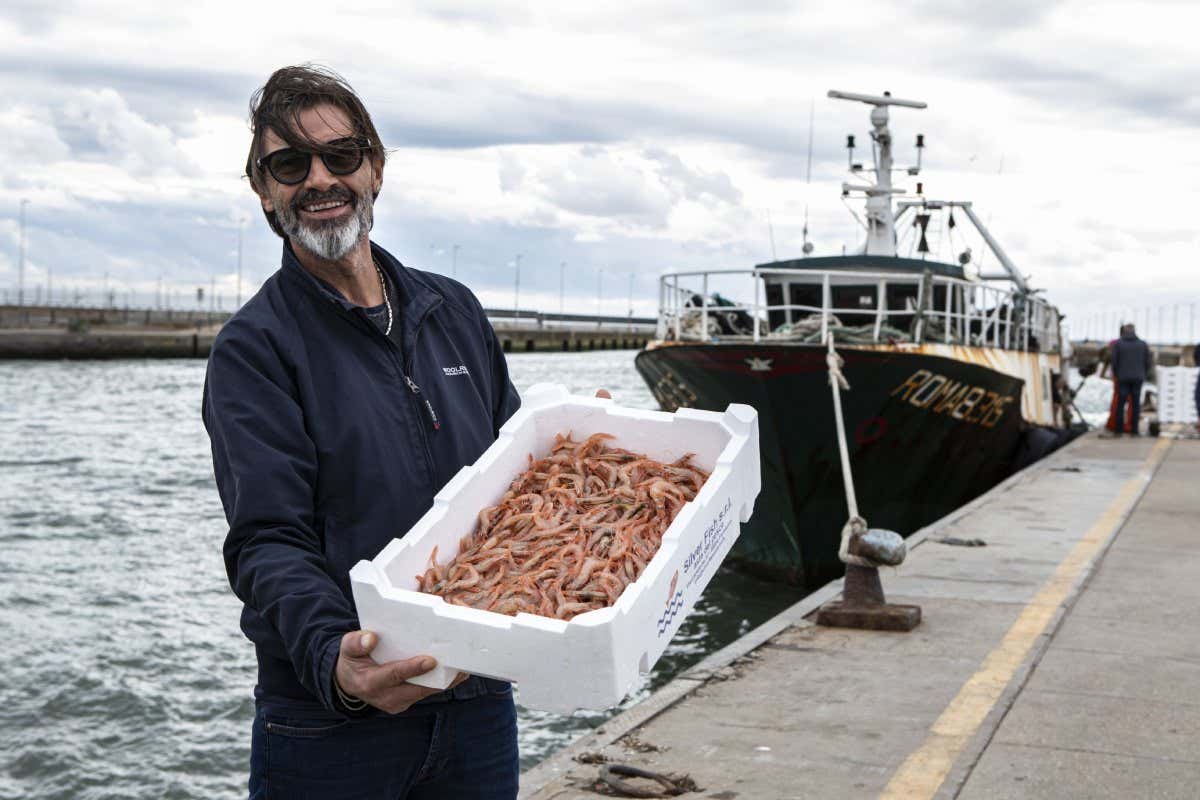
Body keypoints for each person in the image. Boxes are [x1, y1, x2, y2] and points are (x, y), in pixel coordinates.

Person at [202, 65, 522, 799]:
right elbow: (267, 538)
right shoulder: (255, 349)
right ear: (262, 189)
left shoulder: (455, 311)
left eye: (341, 156)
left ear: (375, 169)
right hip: (330, 726)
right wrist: (334, 660)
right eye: (290, 164)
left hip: (476, 701)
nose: (320, 179)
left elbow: (517, 482)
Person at [1109, 323, 1153, 436]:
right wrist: (1143, 373)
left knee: (1120, 403)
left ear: (1124, 331)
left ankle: (1118, 430)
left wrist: (1117, 375)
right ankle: (1134, 430)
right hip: (1138, 377)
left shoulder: (1118, 344)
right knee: (1136, 404)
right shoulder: (1143, 344)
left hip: (1122, 378)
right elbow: (1148, 362)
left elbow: (1114, 362)